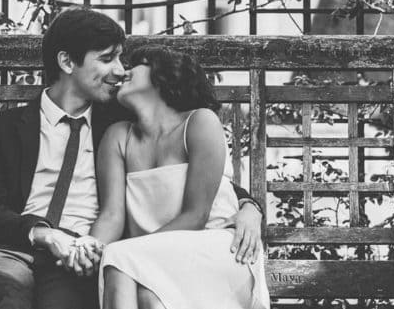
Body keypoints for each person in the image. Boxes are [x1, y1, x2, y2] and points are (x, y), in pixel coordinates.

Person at [0, 9, 263, 309]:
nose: (120, 71)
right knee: (3, 296)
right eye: (107, 59)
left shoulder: (118, 123)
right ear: (67, 63)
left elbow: (189, 174)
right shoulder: (3, 128)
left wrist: (249, 206)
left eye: (122, 60)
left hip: (82, 258)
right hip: (14, 250)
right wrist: (47, 235)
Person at [81, 45, 270, 309]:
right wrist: (88, 249)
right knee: (149, 297)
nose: (125, 70)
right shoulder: (118, 137)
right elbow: (112, 215)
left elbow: (196, 215)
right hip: (150, 256)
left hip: (217, 249)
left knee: (119, 259)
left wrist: (132, 253)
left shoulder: (199, 123)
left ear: (164, 75)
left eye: (137, 64)